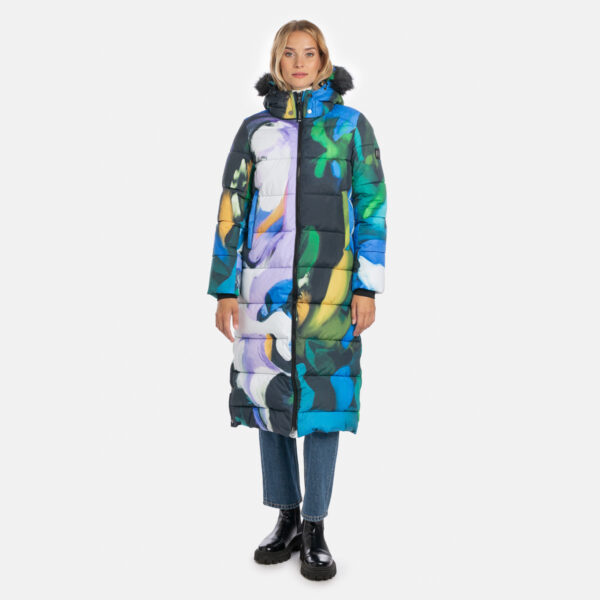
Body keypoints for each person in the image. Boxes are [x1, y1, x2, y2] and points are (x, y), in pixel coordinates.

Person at [207, 19, 387, 581]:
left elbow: (372, 206)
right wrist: (224, 288)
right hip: (262, 292)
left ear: (324, 60)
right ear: (277, 61)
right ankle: (285, 516)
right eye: (290, 53)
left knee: (326, 403)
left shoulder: (351, 128)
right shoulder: (255, 130)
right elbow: (231, 210)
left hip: (331, 291)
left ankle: (315, 525)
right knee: (270, 401)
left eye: (310, 53)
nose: (301, 62)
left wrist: (367, 285)